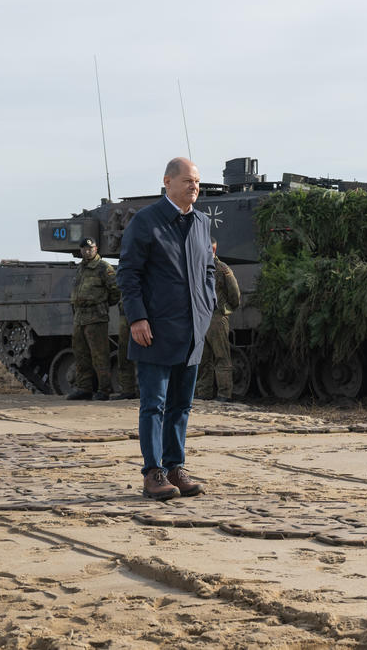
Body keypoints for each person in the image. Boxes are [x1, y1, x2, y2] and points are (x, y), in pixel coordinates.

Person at [117, 157, 216, 501]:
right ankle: (153, 472)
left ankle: (176, 467)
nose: (195, 186)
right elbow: (128, 273)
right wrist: (137, 318)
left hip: (191, 330)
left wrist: (207, 307)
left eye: (198, 182)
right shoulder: (146, 221)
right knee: (154, 405)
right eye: (188, 180)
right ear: (167, 181)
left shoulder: (201, 222)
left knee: (181, 406)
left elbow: (208, 269)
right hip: (155, 329)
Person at [68, 237, 120, 401]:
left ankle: (104, 389)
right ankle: (84, 388)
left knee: (99, 355)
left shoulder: (104, 268)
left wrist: (102, 304)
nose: (87, 251)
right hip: (79, 317)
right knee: (81, 354)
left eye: (90, 248)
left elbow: (115, 291)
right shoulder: (81, 268)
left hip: (96, 317)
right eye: (84, 248)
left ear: (96, 249)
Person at [196, 238, 241, 401]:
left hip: (207, 317)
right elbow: (234, 296)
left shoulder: (199, 268)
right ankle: (217, 394)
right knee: (211, 358)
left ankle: (210, 394)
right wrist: (227, 309)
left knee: (209, 359)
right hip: (213, 316)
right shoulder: (222, 269)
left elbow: (235, 296)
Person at [110, 300, 138, 400]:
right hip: (125, 313)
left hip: (144, 313)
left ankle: (144, 390)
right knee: (123, 353)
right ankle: (127, 390)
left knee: (145, 355)